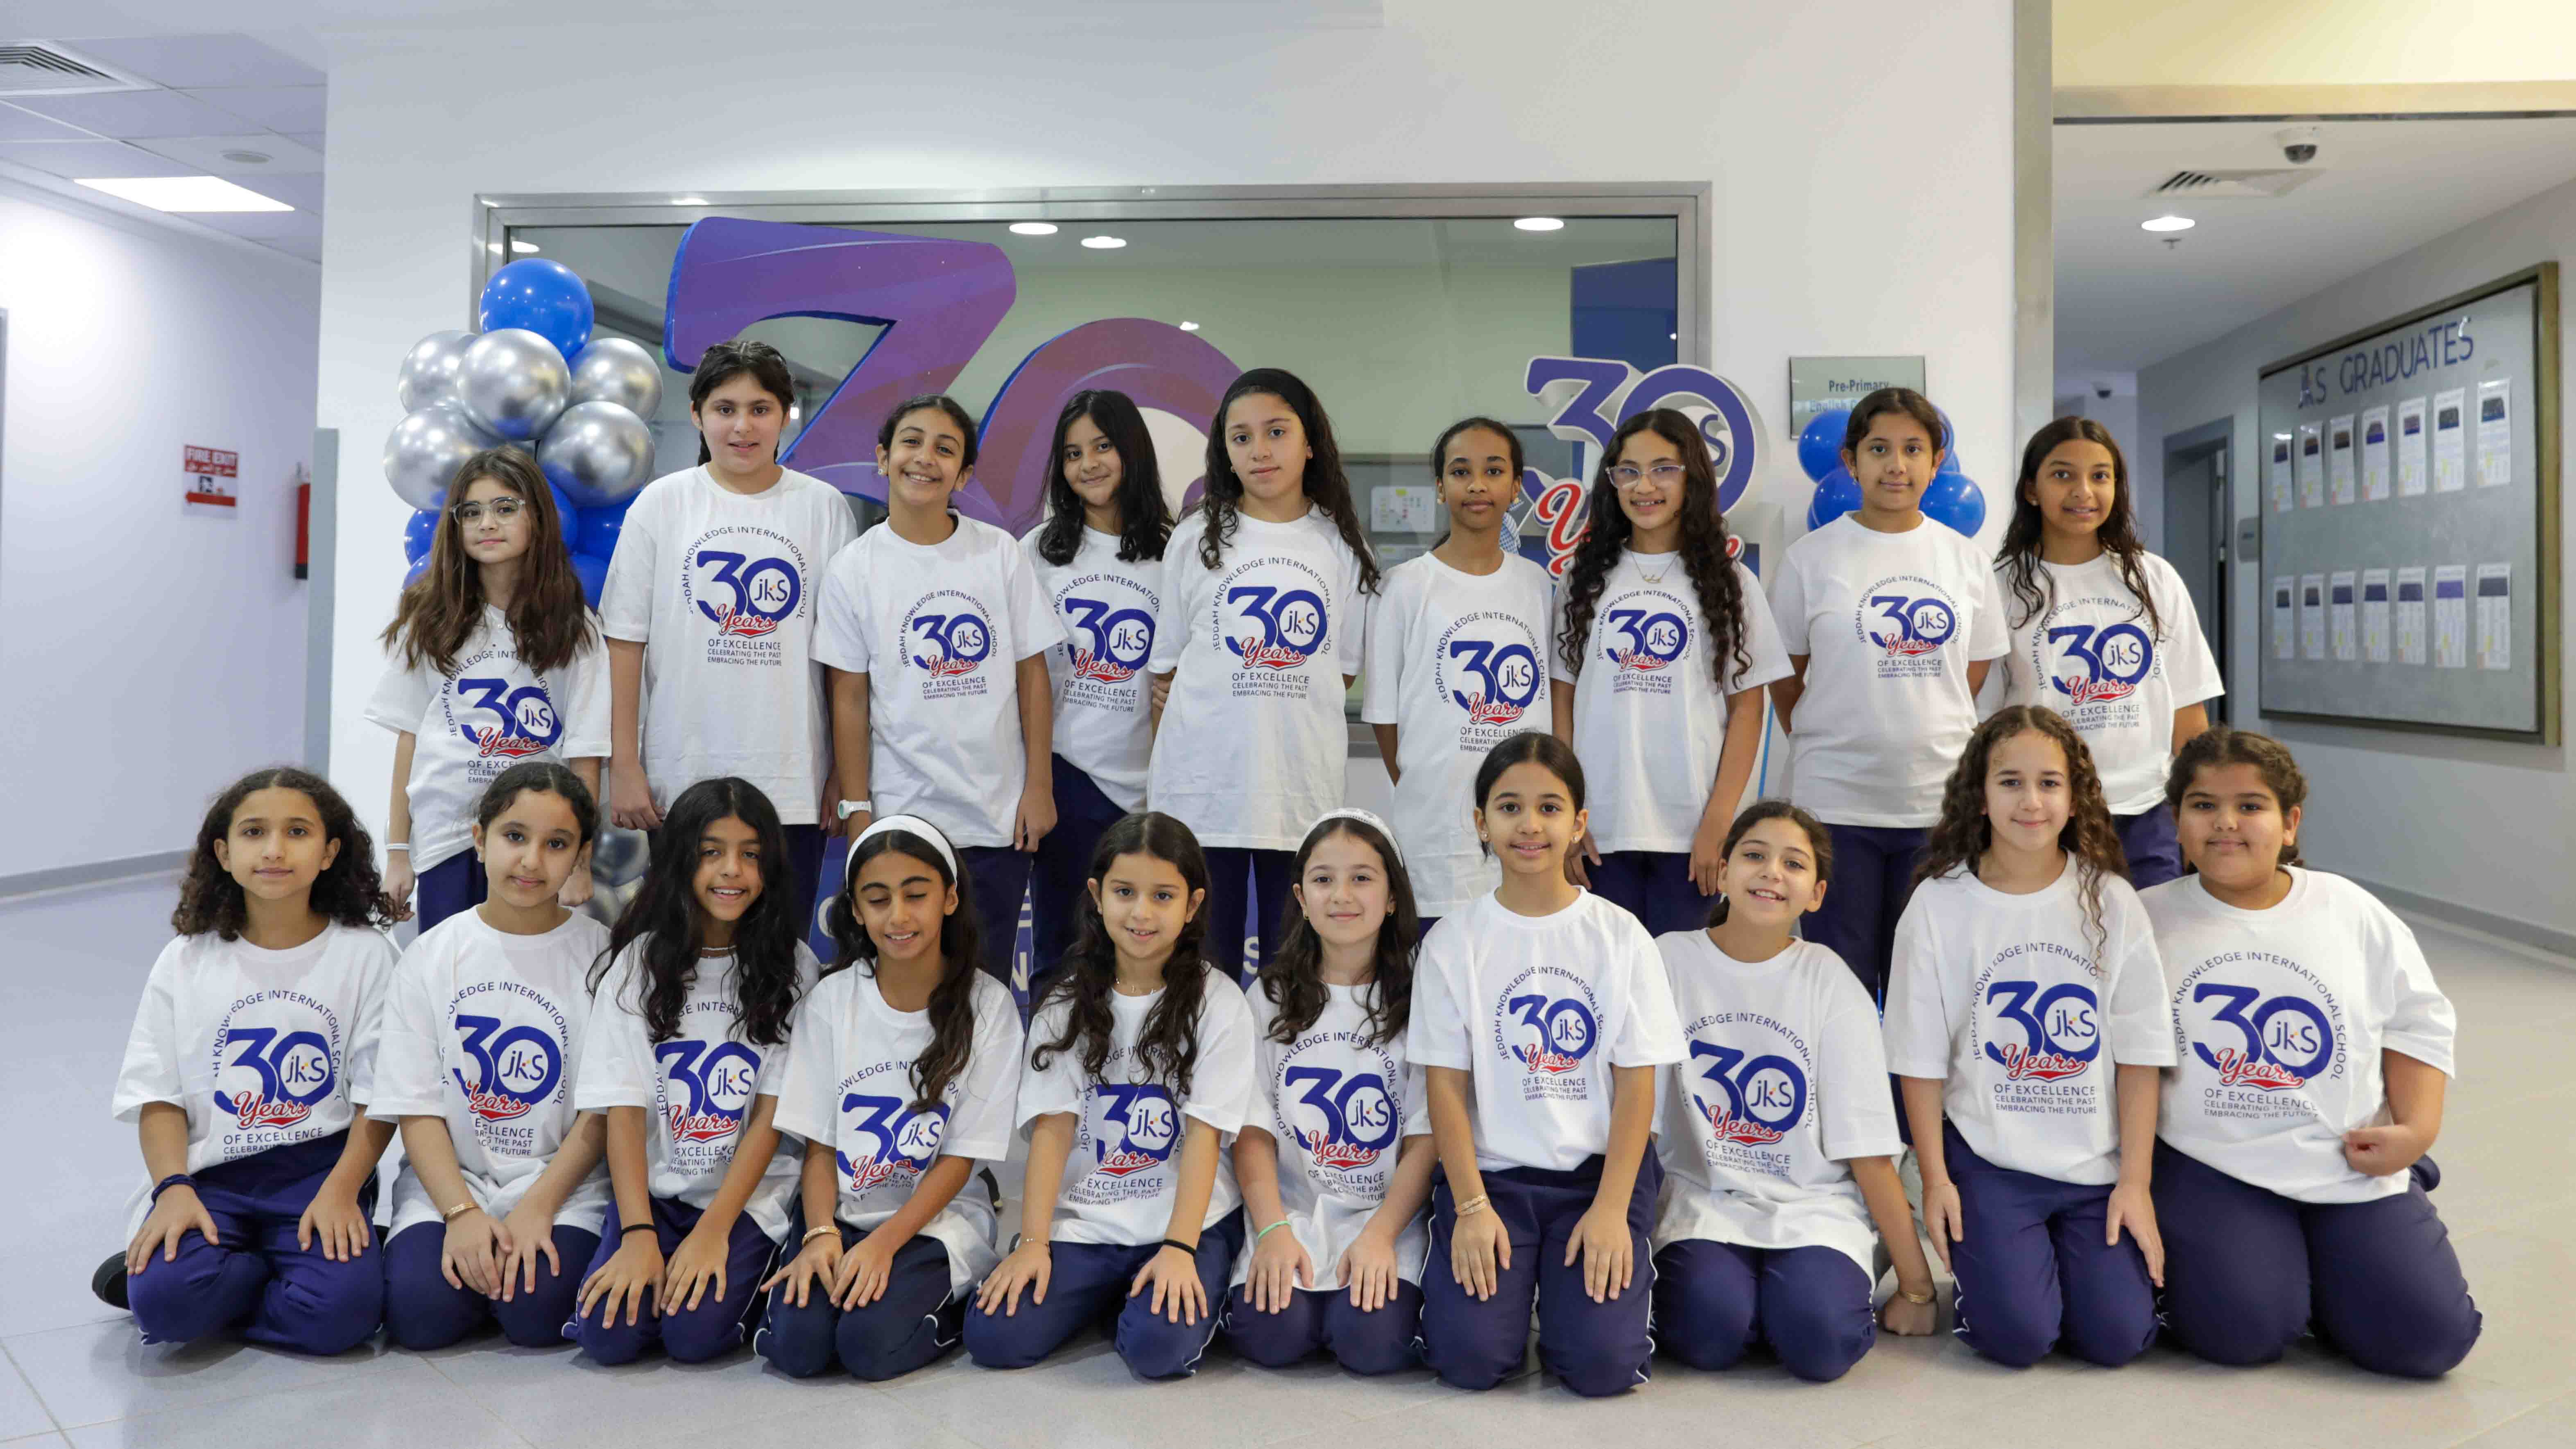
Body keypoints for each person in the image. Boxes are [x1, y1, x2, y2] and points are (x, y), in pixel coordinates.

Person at [2143, 727, 2480, 1378]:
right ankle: (2283, 1275)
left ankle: (2338, 1259)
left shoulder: (2349, 910)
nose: (2225, 823)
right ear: (2176, 821)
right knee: (2242, 1332)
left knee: (2428, 1341)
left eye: (2250, 805)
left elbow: (2415, 1022)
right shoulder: (2145, 918)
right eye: (2203, 805)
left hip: (2342, 1158)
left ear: (2290, 822)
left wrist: (2415, 1131)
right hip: (2212, 1161)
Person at [1883, 708, 2171, 1368]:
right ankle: (2010, 1274)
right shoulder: (1938, 904)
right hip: (1991, 1162)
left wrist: (2134, 1182)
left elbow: (2139, 1056)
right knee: (2016, 1336)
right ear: (1980, 796)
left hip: (2093, 1165)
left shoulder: (2112, 901)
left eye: (2049, 783)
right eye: (2010, 782)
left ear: (2075, 798)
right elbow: (1917, 1060)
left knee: (2116, 1337)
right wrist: (1935, 1180)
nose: (2031, 801)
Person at [1408, 732, 1684, 1397]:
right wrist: (1471, 1205)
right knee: (1468, 1358)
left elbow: (1638, 1088)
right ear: (1481, 822)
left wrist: (1612, 1208)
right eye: (1509, 807)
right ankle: (1514, 1302)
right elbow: (1444, 1087)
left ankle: (1573, 1308)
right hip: (1493, 1180)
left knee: (1600, 1365)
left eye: (1549, 807)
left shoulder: (1621, 936)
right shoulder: (1452, 940)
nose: (1529, 824)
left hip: (1597, 1179)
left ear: (1578, 823)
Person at [107, 768, 402, 1354]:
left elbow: (379, 1096)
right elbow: (156, 1093)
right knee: (164, 1306)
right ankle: (261, 1272)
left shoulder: (368, 955)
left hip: (320, 1173)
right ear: (223, 852)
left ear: (329, 852)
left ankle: (249, 1280)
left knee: (341, 1318)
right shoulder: (184, 959)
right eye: (253, 832)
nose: (274, 850)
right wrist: (173, 1188)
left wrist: (343, 1190)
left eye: (297, 831)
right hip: (212, 1176)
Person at [1650, 800, 1938, 1381]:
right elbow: (1636, 1116)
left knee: (1820, 1342)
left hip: (1813, 1207)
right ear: (1722, 870)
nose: (1771, 872)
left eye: (1793, 863)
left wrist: (1917, 1287)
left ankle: (1813, 1288)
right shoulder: (1667, 960)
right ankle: (1751, 1304)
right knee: (1709, 1331)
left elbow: (1867, 1149)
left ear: (1816, 894)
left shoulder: (1829, 980)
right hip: (1705, 1202)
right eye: (1754, 855)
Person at [965, 813, 1258, 1379]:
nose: (1141, 912)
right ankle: (1109, 1293)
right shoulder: (1063, 1004)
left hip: (1185, 1224)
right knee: (994, 1335)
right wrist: (1033, 1242)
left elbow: (1204, 1137)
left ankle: (1143, 1297)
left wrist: (1179, 1249)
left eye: (1162, 895)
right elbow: (1051, 1132)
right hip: (1091, 1221)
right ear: (1097, 896)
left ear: (1192, 905)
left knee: (1157, 1349)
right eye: (1124, 892)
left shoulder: (1219, 1002)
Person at [600, 338, 858, 936]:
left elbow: (844, 657)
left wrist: (844, 772)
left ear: (786, 415)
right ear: (697, 415)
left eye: (760, 409)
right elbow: (624, 642)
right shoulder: (661, 504)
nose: (743, 426)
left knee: (781, 954)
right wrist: (625, 764)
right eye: (725, 409)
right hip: (680, 776)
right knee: (686, 949)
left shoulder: (823, 508)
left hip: (794, 778)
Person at [757, 815, 1025, 1380]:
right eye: (878, 899)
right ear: (856, 910)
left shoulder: (989, 1006)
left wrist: (886, 1243)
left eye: (916, 895)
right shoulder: (831, 1000)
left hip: (934, 1220)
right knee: (799, 1348)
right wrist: (821, 1234)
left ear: (949, 898)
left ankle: (957, 1302)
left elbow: (960, 1160)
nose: (898, 916)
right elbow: (820, 1147)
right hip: (841, 1212)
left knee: (869, 1346)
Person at [1768, 387, 2009, 1000]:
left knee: (1924, 989)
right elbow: (1786, 678)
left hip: (1936, 806)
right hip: (1834, 805)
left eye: (1912, 449)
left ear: (1936, 461)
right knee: (1839, 987)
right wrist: (1839, 734)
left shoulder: (1966, 561)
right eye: (1878, 449)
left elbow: (1970, 674)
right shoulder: (1807, 560)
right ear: (1850, 461)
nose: (1895, 465)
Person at [570, 778, 819, 1364]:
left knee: (693, 1336)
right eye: (711, 852)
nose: (732, 870)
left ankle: (760, 1275)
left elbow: (770, 1117)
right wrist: (638, 1234)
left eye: (750, 854)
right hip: (657, 1196)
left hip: (747, 1198)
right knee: (608, 1337)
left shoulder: (795, 966)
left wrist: (714, 1231)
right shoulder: (636, 963)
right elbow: (623, 1111)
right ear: (681, 858)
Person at [819, 394, 1064, 987]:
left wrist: (1038, 785)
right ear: (883, 458)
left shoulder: (999, 553)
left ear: (964, 473)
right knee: (900, 988)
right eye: (911, 441)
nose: (925, 458)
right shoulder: (852, 568)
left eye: (945, 448)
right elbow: (848, 698)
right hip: (900, 817)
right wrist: (857, 810)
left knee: (984, 991)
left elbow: (1032, 674)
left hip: (994, 818)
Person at [373, 763, 612, 1349]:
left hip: (562, 1187)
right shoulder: (430, 956)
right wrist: (459, 1213)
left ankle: (496, 1283)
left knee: (537, 1316)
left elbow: (603, 1111)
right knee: (420, 1318)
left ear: (581, 855)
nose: (531, 861)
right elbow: (415, 1106)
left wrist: (539, 1205)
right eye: (514, 836)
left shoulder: (606, 958)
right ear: (479, 839)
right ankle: (455, 1266)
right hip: (452, 1184)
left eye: (556, 844)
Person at [1148, 369, 1376, 980]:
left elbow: (1340, 672)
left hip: (1299, 792)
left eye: (1276, 432)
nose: (1260, 450)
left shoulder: (1341, 546)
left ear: (1310, 442)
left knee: (1292, 971)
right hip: (1202, 793)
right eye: (1241, 437)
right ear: (1224, 450)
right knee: (1201, 972)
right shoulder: (1195, 538)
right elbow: (1165, 670)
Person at [1552, 409, 1788, 936]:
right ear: (1611, 482)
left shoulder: (1732, 582)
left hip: (1692, 837)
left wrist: (1719, 822)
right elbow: (1561, 700)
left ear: (1692, 478)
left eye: (1663, 469)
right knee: (1607, 977)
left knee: (1680, 978)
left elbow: (1748, 711)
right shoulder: (1581, 579)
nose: (1644, 486)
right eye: (1628, 471)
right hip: (1598, 833)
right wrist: (1566, 814)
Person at [1221, 808, 1433, 1374]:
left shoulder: (1422, 998)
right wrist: (1272, 1230)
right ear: (1300, 896)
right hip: (1289, 1212)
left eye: (1361, 878)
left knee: (1372, 1344)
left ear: (1392, 896)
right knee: (1271, 1337)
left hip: (1386, 1217)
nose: (1341, 895)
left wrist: (1380, 1235)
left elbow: (1425, 1138)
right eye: (1322, 879)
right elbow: (1252, 1131)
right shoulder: (1265, 998)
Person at [371, 447, 606, 929]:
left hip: (536, 841)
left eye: (505, 508)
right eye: (472, 512)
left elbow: (585, 750)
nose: (487, 524)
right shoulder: (429, 619)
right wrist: (397, 853)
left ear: (537, 517)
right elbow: (409, 738)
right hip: (446, 837)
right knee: (451, 967)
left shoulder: (574, 626)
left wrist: (580, 861)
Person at [1992, 418, 2220, 888]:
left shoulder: (2153, 578)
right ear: (2031, 489)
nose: (2083, 491)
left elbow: (2187, 712)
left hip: (2146, 810)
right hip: (2042, 814)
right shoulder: (2000, 587)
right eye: (2062, 474)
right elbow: (1986, 723)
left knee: (2153, 931)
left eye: (2099, 476)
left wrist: (2199, 808)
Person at [1364, 418, 1554, 935]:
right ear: (1439, 486)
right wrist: (1425, 784)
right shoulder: (1403, 586)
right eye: (1460, 471)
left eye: (1493, 471)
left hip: (1523, 831)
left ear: (1515, 487)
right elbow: (1384, 717)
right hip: (1434, 835)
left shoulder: (1537, 585)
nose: (1476, 485)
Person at [1023, 390, 1173, 989]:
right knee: (1061, 948)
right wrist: (1036, 782)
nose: (1087, 464)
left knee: (1143, 955)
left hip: (1156, 785)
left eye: (1102, 446)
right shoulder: (1037, 552)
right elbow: (1022, 675)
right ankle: (1052, 1049)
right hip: (1068, 777)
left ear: (1131, 450)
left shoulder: (1176, 551)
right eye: (1072, 453)